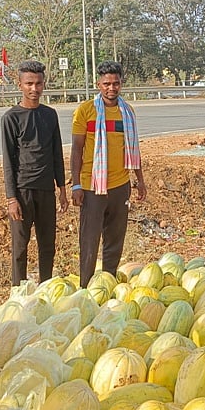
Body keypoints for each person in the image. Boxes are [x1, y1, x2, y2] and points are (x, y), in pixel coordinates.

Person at [70, 61, 148, 288]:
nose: (111, 88)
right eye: (106, 84)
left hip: (120, 185)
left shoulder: (127, 112)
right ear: (98, 84)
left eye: (115, 83)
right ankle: (86, 288)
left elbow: (133, 148)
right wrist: (76, 185)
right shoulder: (85, 111)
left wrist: (140, 181)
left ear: (121, 84)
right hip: (92, 186)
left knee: (115, 240)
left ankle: (108, 284)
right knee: (89, 241)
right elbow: (77, 149)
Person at [1, 60, 68, 286]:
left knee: (47, 244)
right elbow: (8, 161)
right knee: (20, 247)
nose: (34, 88)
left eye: (38, 83)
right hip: (22, 191)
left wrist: (62, 190)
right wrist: (11, 198)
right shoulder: (11, 118)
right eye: (29, 83)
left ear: (44, 84)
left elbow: (56, 152)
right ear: (20, 84)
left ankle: (45, 288)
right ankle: (17, 293)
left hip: (46, 190)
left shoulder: (50, 115)